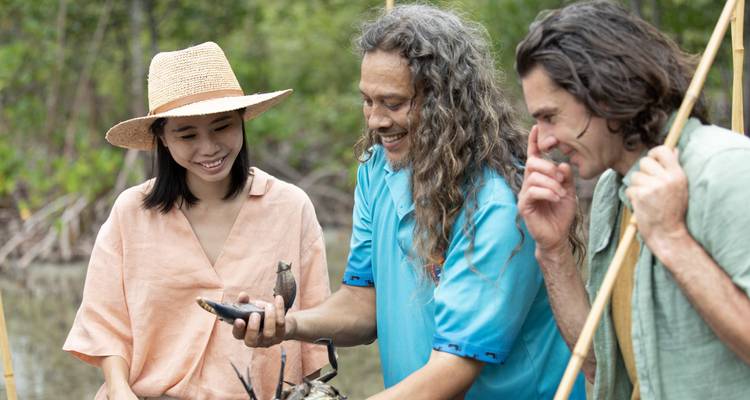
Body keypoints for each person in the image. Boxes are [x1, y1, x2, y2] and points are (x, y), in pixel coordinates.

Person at [232, 5, 584, 399]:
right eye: (367, 100)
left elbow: (452, 370)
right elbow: (364, 303)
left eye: (394, 103)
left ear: (446, 102)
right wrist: (288, 325)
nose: (375, 121)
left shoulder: (499, 205)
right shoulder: (377, 168)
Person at [63, 42, 331, 400]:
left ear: (242, 120)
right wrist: (118, 389)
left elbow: (314, 333)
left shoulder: (290, 207)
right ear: (162, 139)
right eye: (187, 134)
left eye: (222, 127)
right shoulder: (131, 213)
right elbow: (106, 322)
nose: (208, 147)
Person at [515, 1, 750, 399]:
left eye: (550, 117)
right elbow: (596, 365)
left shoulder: (725, 168)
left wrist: (673, 240)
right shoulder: (612, 190)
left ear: (603, 90)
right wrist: (552, 250)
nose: (545, 139)